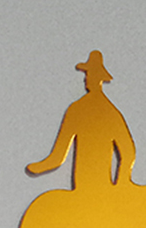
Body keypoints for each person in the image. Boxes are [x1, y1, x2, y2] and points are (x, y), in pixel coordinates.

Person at [27, 50, 135, 191]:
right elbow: (128, 152)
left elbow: (58, 155)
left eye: (88, 74)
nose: (85, 79)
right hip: (102, 187)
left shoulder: (78, 110)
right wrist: (122, 182)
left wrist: (39, 167)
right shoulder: (111, 112)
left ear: (96, 78)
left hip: (86, 186)